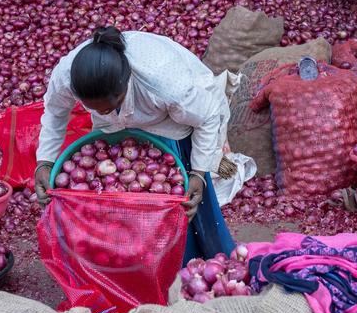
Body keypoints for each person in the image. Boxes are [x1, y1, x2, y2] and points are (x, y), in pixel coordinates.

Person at [34, 27, 236, 260]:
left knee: (174, 194)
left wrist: (198, 173)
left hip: (172, 125)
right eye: (94, 107)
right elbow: (54, 112)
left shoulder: (166, 85)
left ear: (125, 84)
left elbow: (207, 116)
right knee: (119, 199)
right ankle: (124, 261)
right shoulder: (69, 75)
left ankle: (179, 260)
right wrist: (45, 162)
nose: (101, 111)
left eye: (108, 106)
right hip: (120, 126)